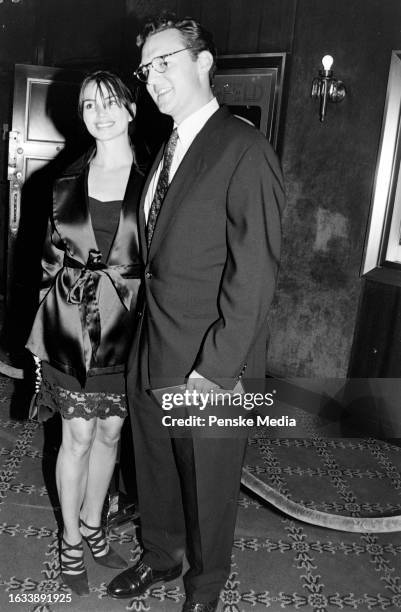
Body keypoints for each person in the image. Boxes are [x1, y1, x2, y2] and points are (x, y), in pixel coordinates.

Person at [107, 15, 285, 612]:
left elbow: (255, 275)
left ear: (204, 62)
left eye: (166, 63)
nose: (152, 78)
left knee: (208, 488)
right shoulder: (167, 148)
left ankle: (205, 590)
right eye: (146, 68)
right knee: (154, 468)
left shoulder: (244, 149)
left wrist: (217, 370)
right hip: (153, 349)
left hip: (210, 362)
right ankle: (159, 557)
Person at [25, 70, 143, 596]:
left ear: (132, 109)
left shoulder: (156, 179)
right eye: (90, 105)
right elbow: (47, 268)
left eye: (111, 102)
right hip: (70, 328)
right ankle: (71, 537)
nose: (100, 113)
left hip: (129, 327)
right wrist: (38, 343)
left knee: (112, 433)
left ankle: (95, 522)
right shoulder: (61, 182)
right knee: (76, 435)